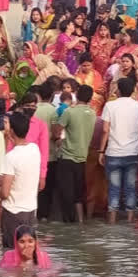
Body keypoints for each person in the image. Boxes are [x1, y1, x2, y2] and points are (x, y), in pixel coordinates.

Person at [99, 77, 138, 224]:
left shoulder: (109, 106)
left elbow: (105, 130)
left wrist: (101, 151)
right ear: (134, 90)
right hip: (132, 153)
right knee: (130, 188)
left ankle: (112, 221)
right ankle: (130, 220)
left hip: (113, 153)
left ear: (118, 90)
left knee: (114, 188)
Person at [53, 85, 96, 223]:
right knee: (78, 194)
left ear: (76, 96)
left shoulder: (69, 112)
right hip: (83, 157)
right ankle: (80, 222)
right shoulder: (93, 113)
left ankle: (68, 223)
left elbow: (56, 132)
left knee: (66, 194)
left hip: (67, 157)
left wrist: (59, 140)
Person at [0, 112, 40, 248]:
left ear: (11, 131)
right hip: (31, 211)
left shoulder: (11, 157)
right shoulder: (35, 149)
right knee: (27, 253)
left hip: (13, 213)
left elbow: (5, 193)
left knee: (11, 253)